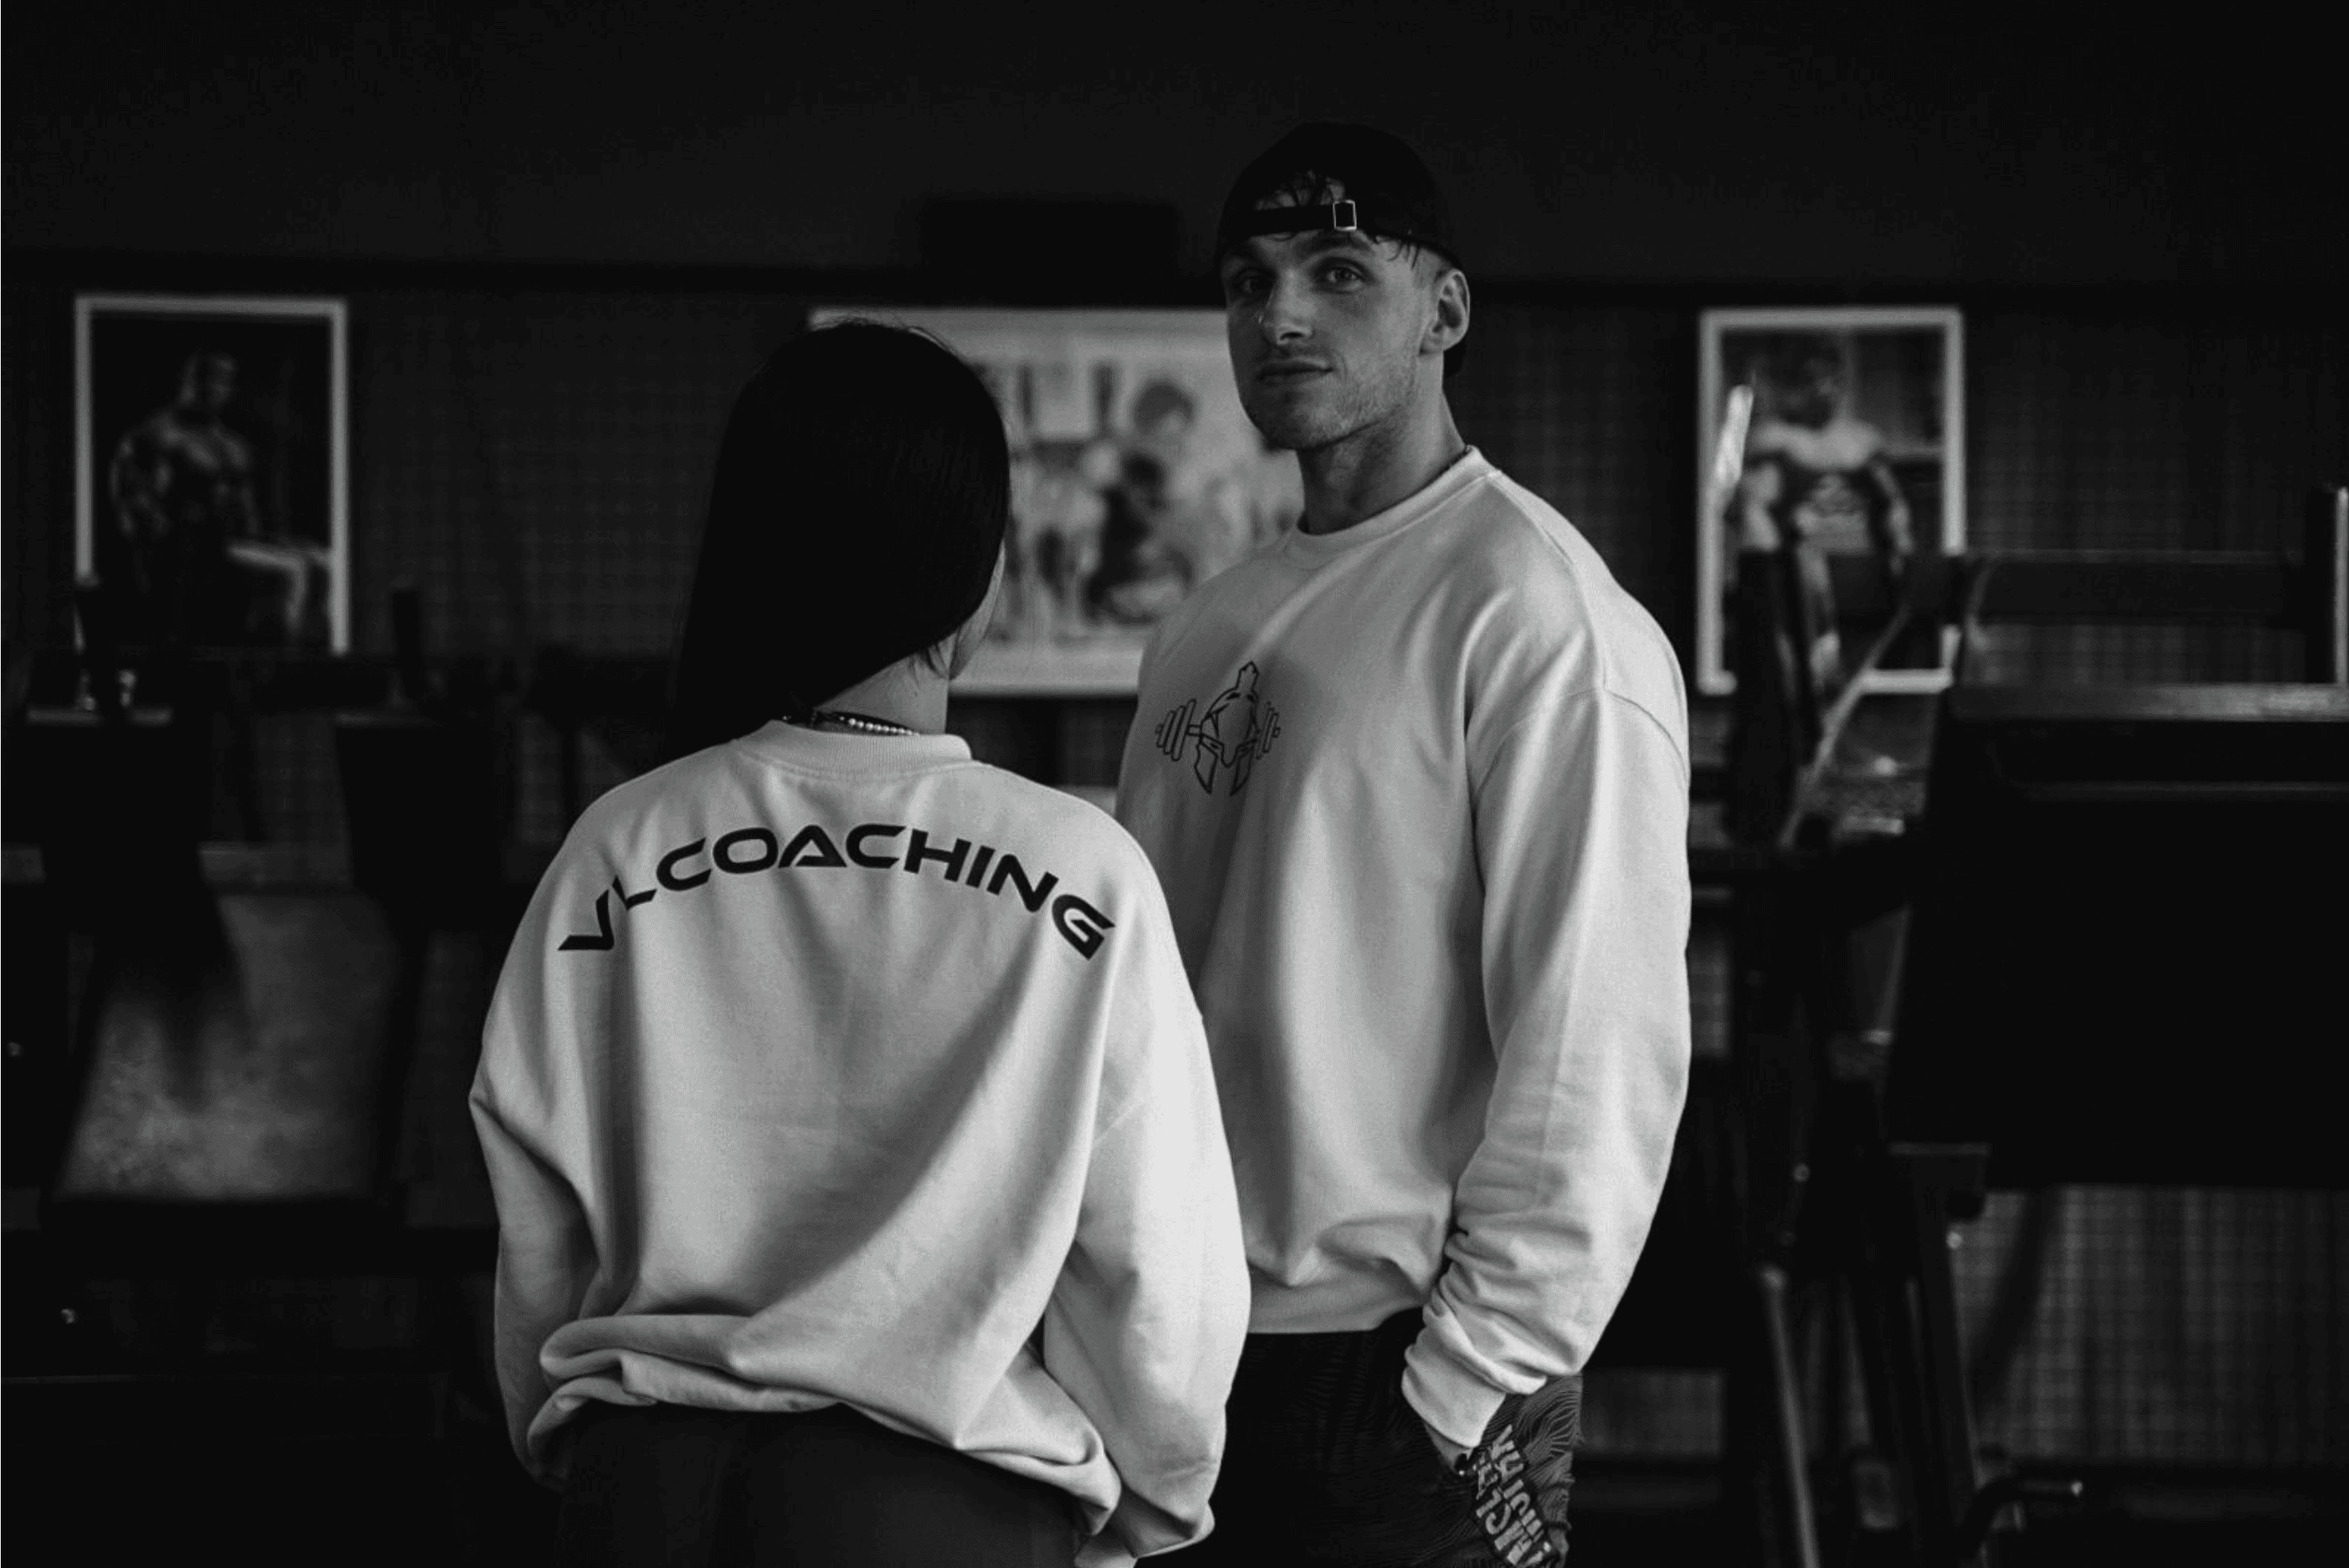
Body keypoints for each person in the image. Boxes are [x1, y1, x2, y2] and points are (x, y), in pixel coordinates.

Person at [471, 321, 1250, 1568]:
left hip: (641, 1497)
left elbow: (535, 1228)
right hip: (946, 1511)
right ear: (980, 573)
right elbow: (1158, 1270)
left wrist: (574, 1450)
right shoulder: (1077, 870)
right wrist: (1146, 1503)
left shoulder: (617, 848)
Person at [1116, 124, 1694, 1565]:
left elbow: (1595, 1039)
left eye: (1335, 271)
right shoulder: (1209, 623)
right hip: (1179, 1350)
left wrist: (1465, 1377)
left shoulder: (1536, 613)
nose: (1279, 314)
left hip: (1404, 1369)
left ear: (1445, 310)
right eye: (1248, 282)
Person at [1732, 334, 1917, 695]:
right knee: (1806, 686)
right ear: (1791, 384)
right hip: (1803, 588)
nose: (1824, 389)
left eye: (1831, 378)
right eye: (1812, 378)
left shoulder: (1864, 440)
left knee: (1863, 683)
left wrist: (1904, 560)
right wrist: (1775, 588)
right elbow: (1755, 520)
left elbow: (1895, 510)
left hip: (1866, 582)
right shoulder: (1773, 441)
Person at [105, 351, 325, 646]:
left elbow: (246, 507)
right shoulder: (159, 434)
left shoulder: (229, 442)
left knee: (316, 559)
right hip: (197, 545)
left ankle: (286, 661)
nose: (215, 389)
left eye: (224, 381)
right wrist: (155, 529)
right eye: (207, 379)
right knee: (296, 570)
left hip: (235, 538)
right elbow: (132, 497)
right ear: (189, 382)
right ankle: (283, 668)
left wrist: (266, 535)